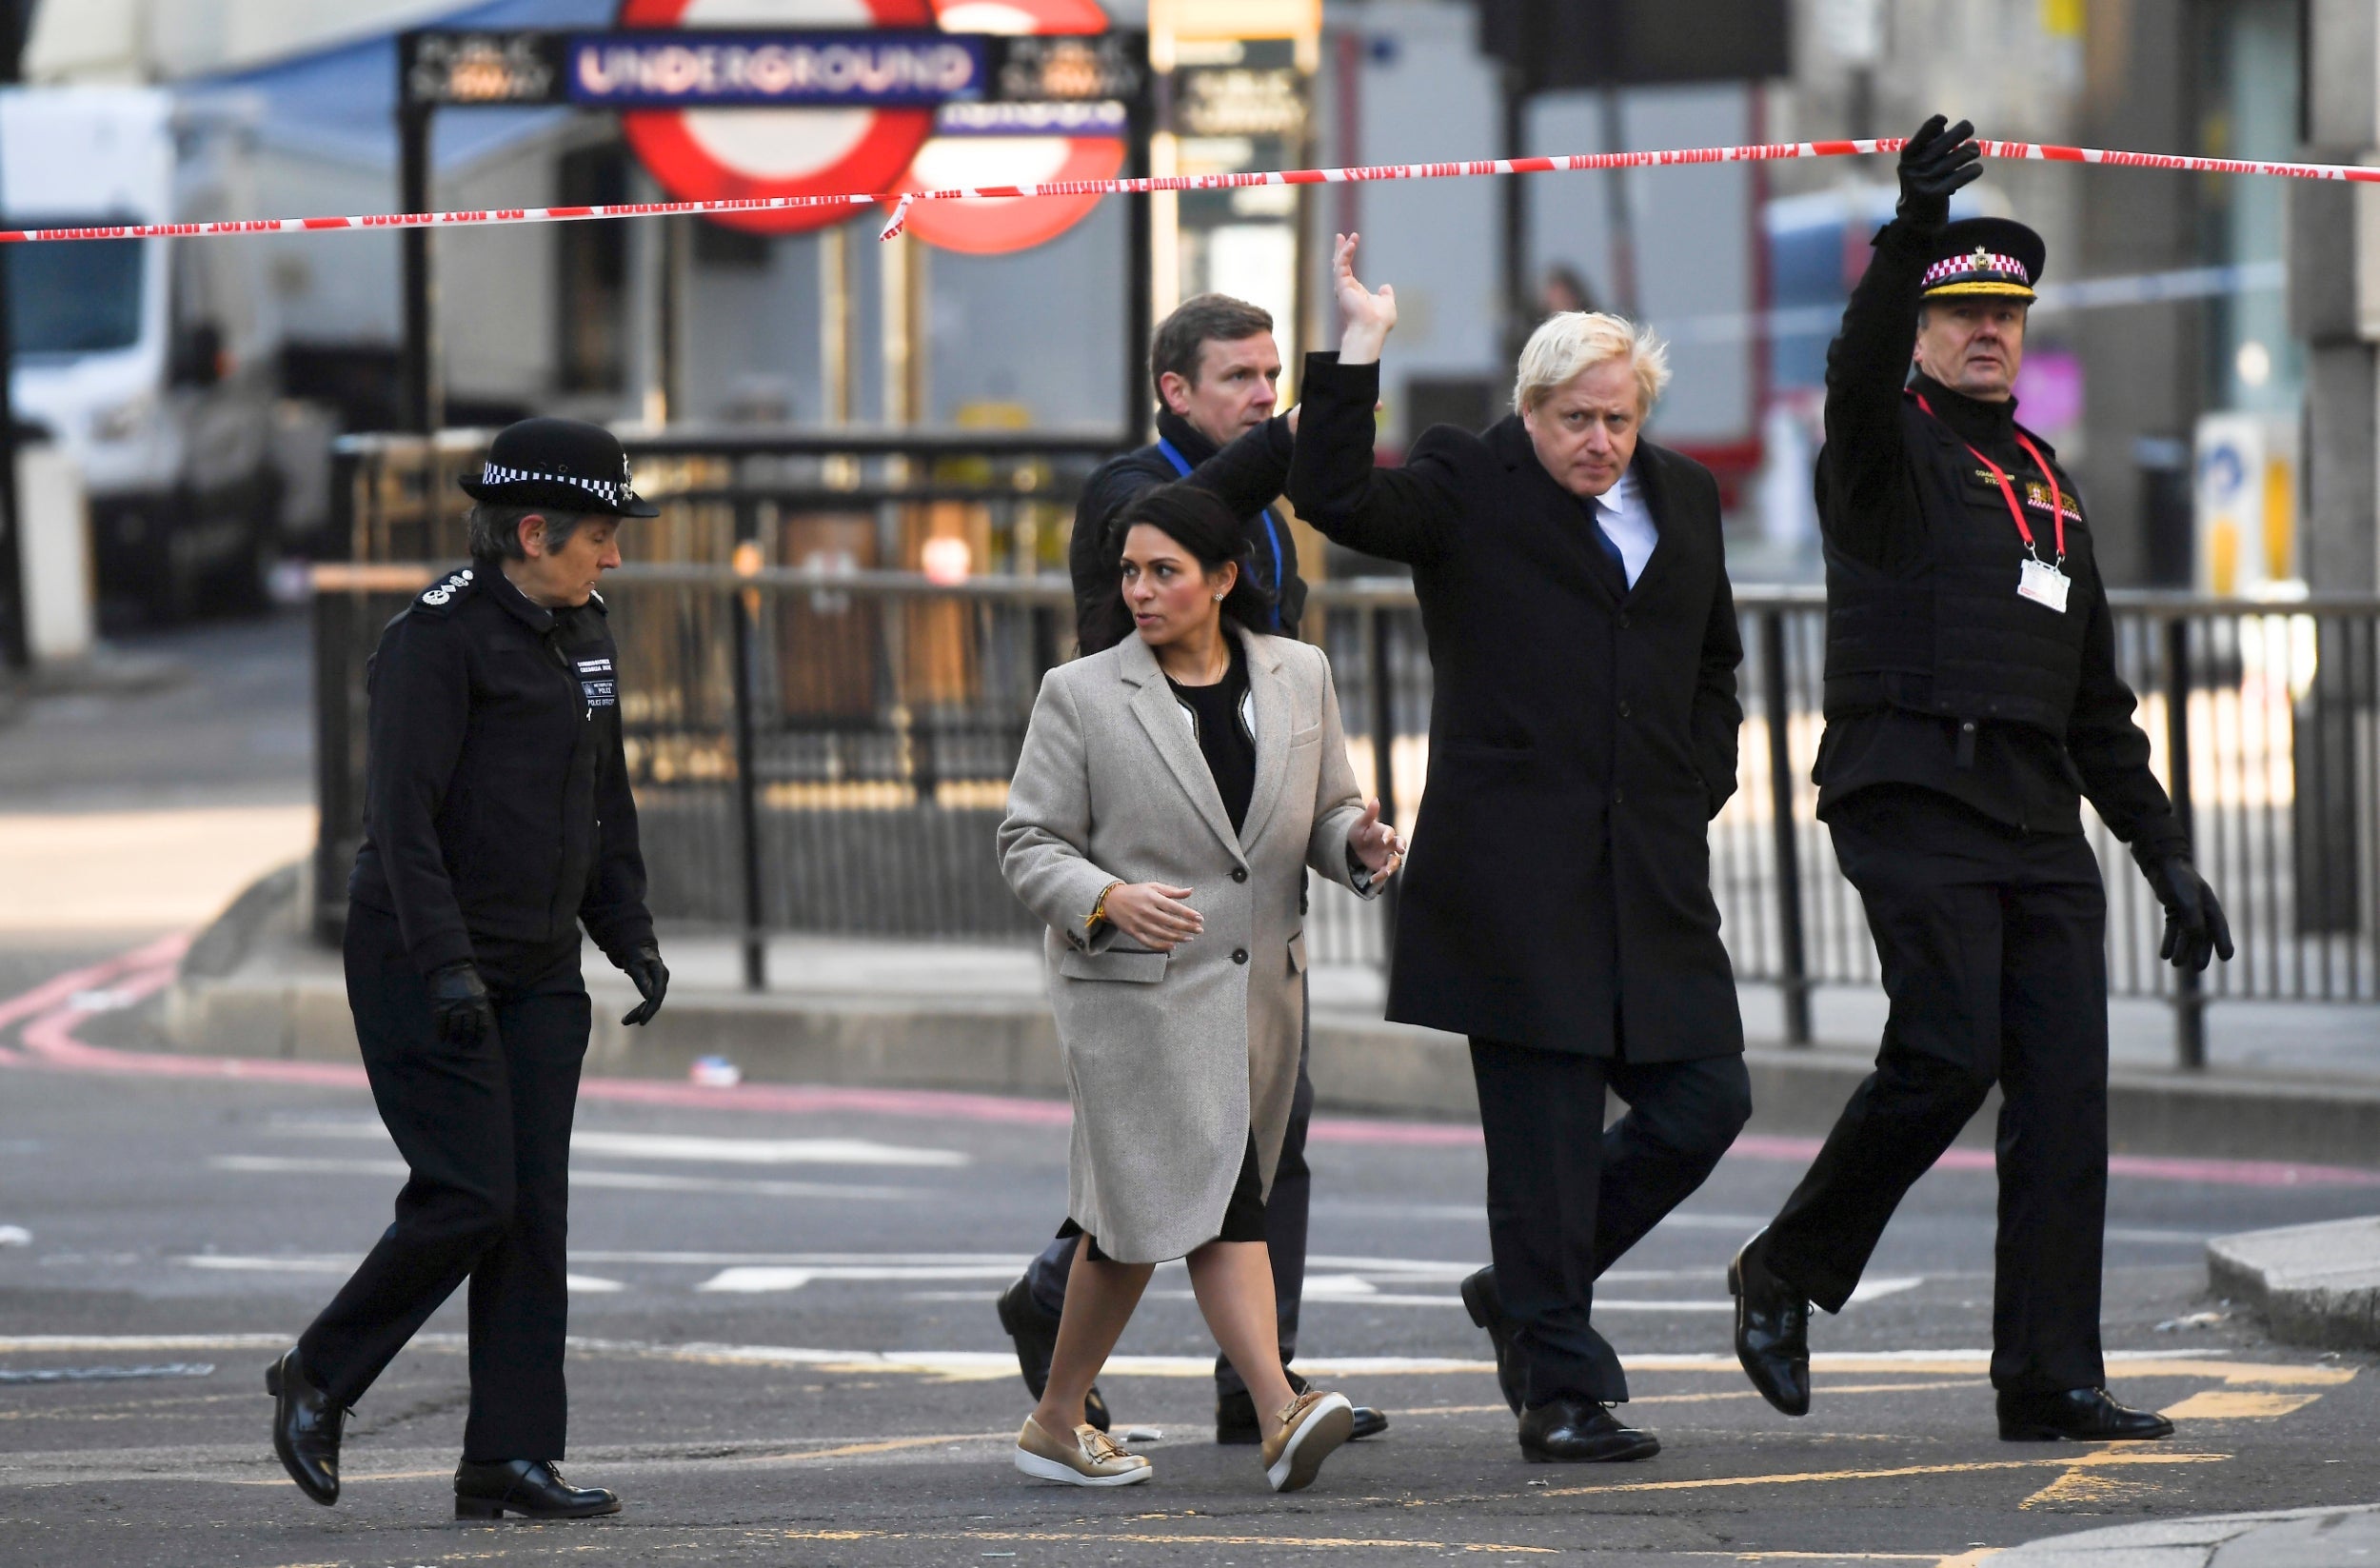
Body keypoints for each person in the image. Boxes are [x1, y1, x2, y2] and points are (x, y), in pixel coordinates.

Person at [1727, 118, 2234, 1443]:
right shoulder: (1881, 451)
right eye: (1962, 315)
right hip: (1909, 792)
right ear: (1925, 331)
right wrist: (1907, 231)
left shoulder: (2047, 483)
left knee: (2065, 1093)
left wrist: (2165, 853)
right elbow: (1851, 364)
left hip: (2033, 815)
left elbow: (2096, 703)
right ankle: (1784, 1268)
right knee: (1949, 1049)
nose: (1988, 333)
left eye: (2007, 313)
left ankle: (2049, 1372)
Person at [1286, 235, 1753, 1463]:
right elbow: (1335, 496)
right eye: (1573, 420)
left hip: (1649, 870)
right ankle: (1558, 1390)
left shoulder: (1685, 497)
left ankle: (1519, 1291)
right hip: (1515, 879)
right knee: (1541, 1147)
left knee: (1707, 1099)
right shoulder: (1465, 484)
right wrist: (1358, 351)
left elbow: (1713, 659)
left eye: (1618, 418)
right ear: (1528, 412)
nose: (1600, 442)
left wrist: (1703, 773)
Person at [267, 418, 670, 1520]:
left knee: (533, 1211)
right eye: (600, 534)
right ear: (532, 532)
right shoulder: (432, 643)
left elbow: (604, 793)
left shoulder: (584, 628)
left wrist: (626, 930)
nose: (616, 555)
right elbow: (399, 826)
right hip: (420, 958)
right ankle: (319, 1374)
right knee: (469, 1195)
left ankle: (508, 1457)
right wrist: (446, 969)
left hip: (538, 966)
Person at [1009, 293, 1389, 1448]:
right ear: (1176, 390)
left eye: (1275, 374)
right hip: (1143, 927)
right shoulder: (1144, 499)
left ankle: (1177, 1383)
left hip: (1247, 940)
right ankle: (1271, 1400)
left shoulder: (1286, 659)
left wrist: (1352, 841)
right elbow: (1029, 840)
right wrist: (1348, 368)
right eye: (1242, 377)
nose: (1262, 398)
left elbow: (1317, 801)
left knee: (1241, 1166)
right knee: (1191, 1189)